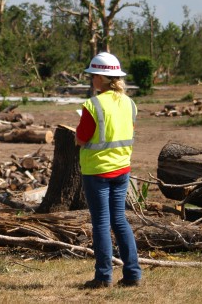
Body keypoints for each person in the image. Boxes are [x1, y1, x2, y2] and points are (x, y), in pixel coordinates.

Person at [74, 52, 142, 289]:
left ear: (101, 78)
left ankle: (103, 277)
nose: (91, 79)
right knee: (120, 221)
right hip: (122, 170)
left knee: (101, 223)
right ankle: (133, 273)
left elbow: (82, 138)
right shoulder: (130, 103)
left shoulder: (93, 105)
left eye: (93, 75)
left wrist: (77, 135)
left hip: (97, 172)